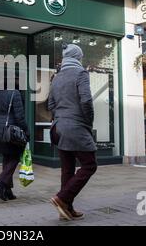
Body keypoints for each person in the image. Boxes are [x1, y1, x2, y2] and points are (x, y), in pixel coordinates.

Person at [48, 43, 97, 220]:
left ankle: (66, 209)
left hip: (59, 128)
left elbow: (50, 105)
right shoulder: (81, 73)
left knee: (67, 169)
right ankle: (62, 198)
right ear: (77, 57)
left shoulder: (56, 77)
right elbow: (86, 100)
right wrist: (88, 121)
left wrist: (60, 118)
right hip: (76, 126)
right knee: (90, 165)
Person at [0, 82, 29, 201]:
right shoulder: (15, 93)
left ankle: (7, 190)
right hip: (11, 132)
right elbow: (19, 116)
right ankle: (1, 182)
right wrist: (26, 130)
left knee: (7, 158)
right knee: (15, 157)